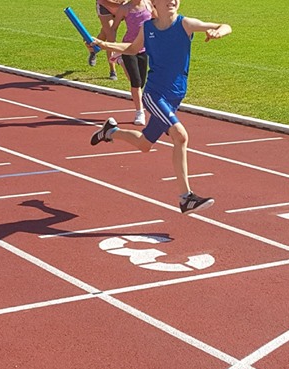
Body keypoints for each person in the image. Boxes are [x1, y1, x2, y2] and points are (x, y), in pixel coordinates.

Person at [88, 0, 232, 214]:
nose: (173, 1)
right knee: (181, 136)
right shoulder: (148, 27)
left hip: (175, 96)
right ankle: (186, 198)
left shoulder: (186, 24)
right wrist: (105, 44)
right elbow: (133, 48)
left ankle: (111, 131)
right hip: (155, 95)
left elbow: (225, 25)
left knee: (145, 143)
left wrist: (219, 32)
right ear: (155, 2)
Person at [110, 0, 156, 125]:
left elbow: (157, 20)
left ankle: (120, 60)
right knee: (136, 82)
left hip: (144, 48)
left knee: (141, 82)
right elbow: (114, 28)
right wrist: (114, 46)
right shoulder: (124, 9)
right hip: (128, 48)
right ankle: (139, 112)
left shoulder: (148, 4)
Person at [87, 0, 127, 80]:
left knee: (105, 32)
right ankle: (112, 70)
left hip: (119, 6)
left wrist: (125, 4)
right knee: (111, 37)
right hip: (105, 5)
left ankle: (93, 49)